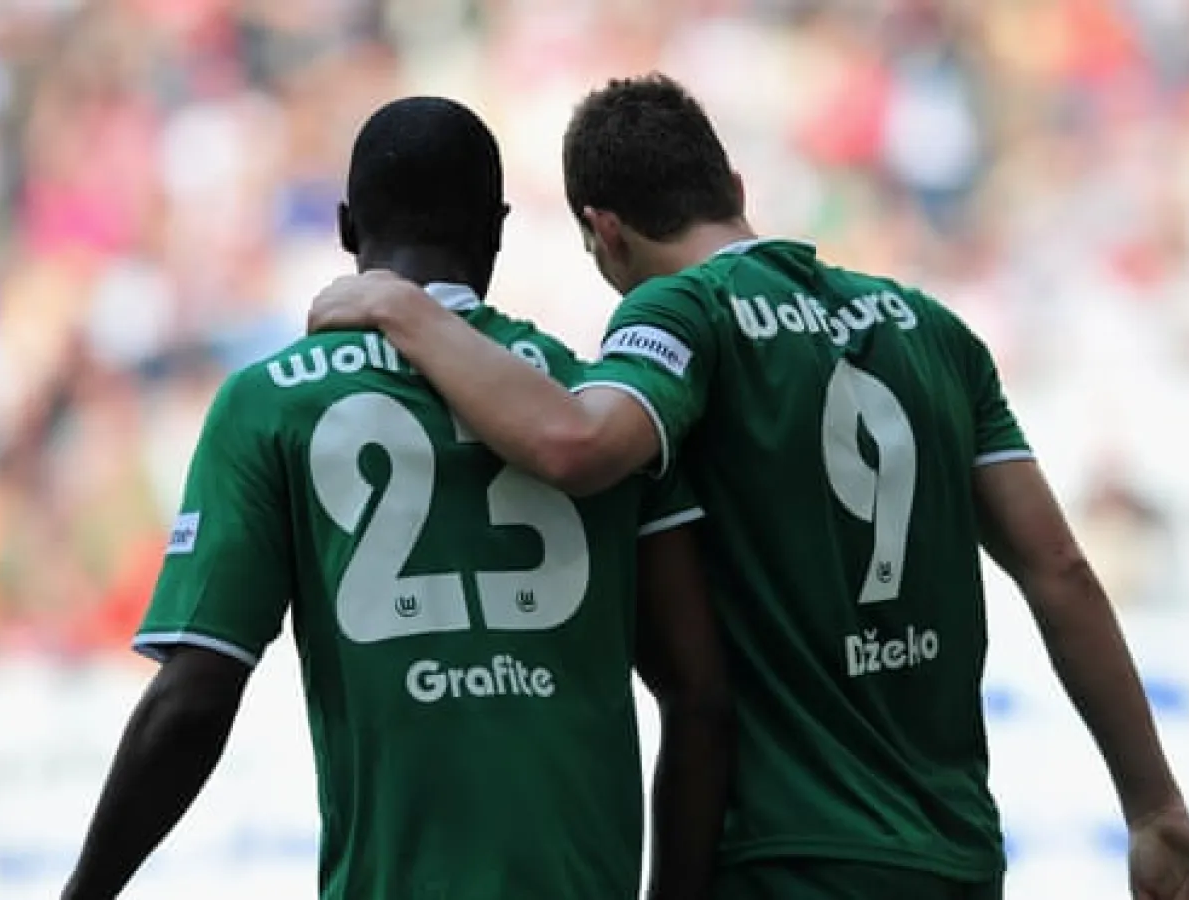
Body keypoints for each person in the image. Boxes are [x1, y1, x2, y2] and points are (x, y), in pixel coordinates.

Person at [306, 75, 1189, 900]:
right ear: (736, 190)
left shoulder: (682, 313)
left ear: (605, 231)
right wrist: (1153, 806)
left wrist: (401, 307)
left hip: (790, 854)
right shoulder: (932, 328)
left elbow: (573, 442)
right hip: (957, 854)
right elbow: (1061, 572)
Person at [62, 96, 733, 900]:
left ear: (349, 227)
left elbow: (196, 696)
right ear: (497, 228)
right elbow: (697, 693)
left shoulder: (269, 404)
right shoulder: (601, 405)